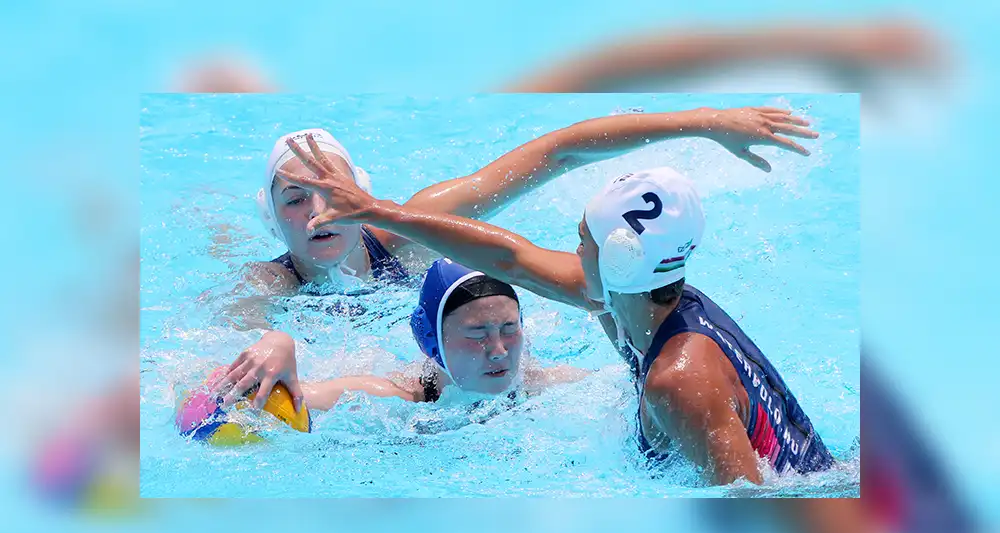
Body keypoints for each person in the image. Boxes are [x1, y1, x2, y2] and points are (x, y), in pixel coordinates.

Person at [272, 109, 833, 485]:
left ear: (619, 258)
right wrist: (378, 212)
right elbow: (508, 257)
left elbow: (760, 518)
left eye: (581, 236)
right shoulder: (634, 296)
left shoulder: (679, 379)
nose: (573, 245)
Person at [222, 106, 818, 329]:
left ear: (363, 192)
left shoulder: (416, 227)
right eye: (294, 197)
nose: (319, 210)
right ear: (273, 218)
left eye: (332, 187)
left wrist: (705, 120)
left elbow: (557, 151)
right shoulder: (267, 287)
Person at [214, 259, 587, 411]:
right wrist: (278, 343)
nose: (498, 350)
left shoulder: (551, 387)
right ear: (430, 341)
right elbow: (289, 398)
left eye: (510, 329)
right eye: (477, 334)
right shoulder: (395, 397)